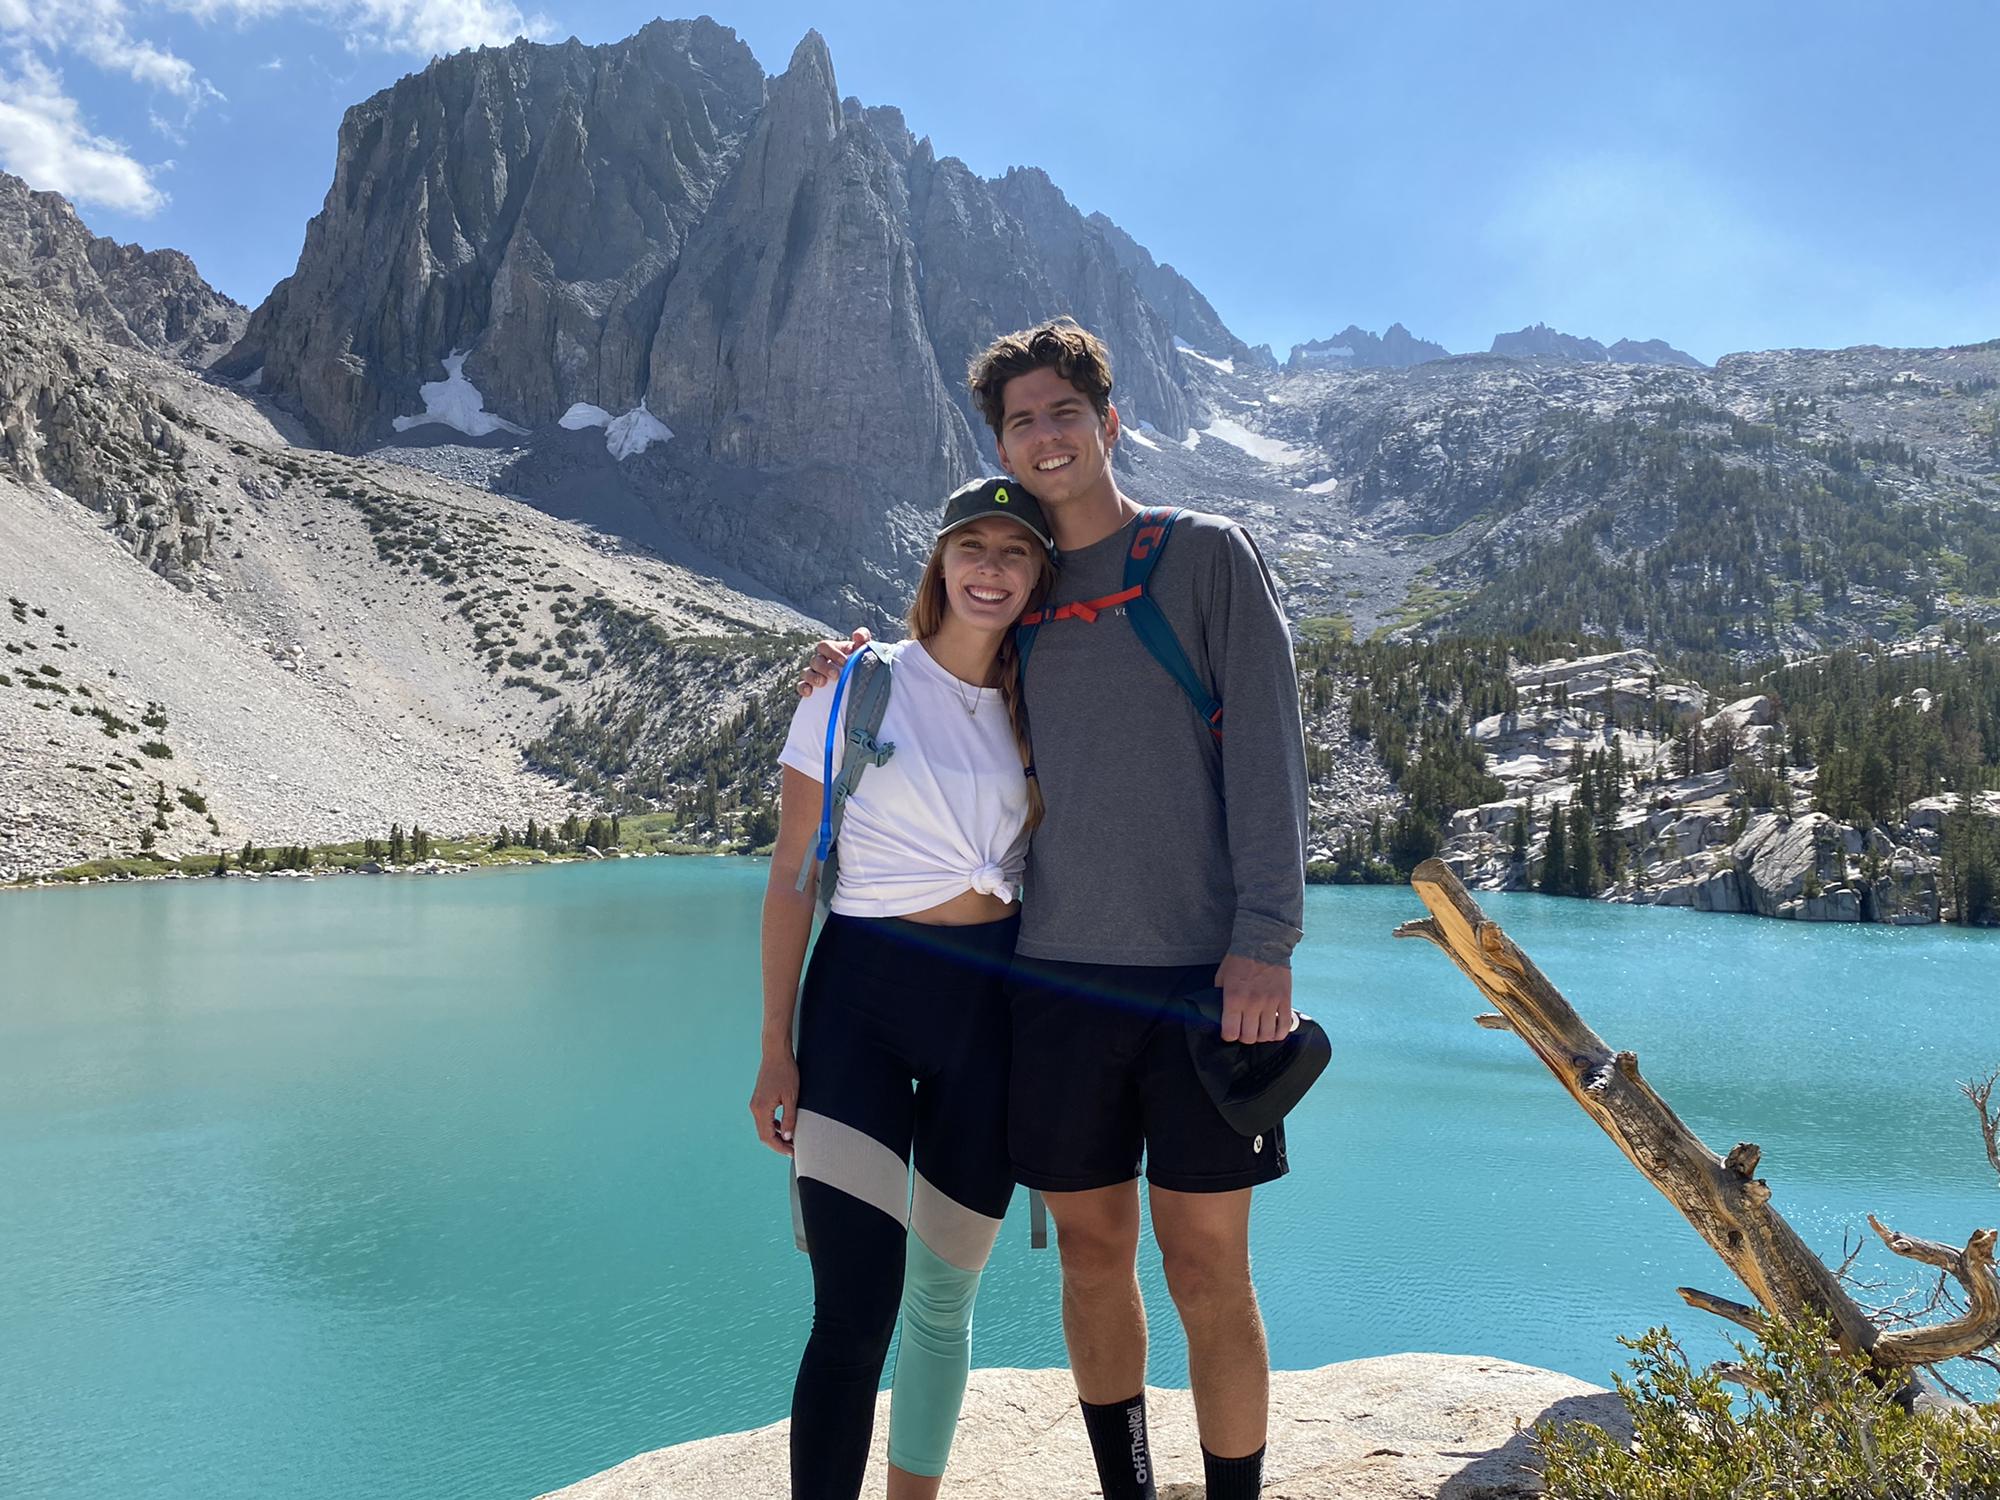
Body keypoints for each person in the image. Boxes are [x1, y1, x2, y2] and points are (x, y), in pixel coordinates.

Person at [803, 319, 1309, 1500]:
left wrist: (1264, 943)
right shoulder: (1017, 583)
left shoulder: (1204, 556)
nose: (1044, 436)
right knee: (1090, 1254)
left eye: (1061, 413)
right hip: (1053, 981)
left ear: (1107, 422)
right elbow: (937, 679)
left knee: (1207, 1268)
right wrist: (849, 662)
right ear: (1000, 441)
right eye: (1019, 420)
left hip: (1203, 980)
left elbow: (1271, 754)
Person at [751, 477, 1058, 1500]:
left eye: (1013, 553)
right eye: (969, 545)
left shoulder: (1041, 700)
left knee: (943, 1297)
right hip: (859, 1006)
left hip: (988, 1012)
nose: (989, 567)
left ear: (1035, 578)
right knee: (852, 1308)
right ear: (936, 563)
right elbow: (794, 870)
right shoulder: (853, 686)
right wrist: (774, 1046)